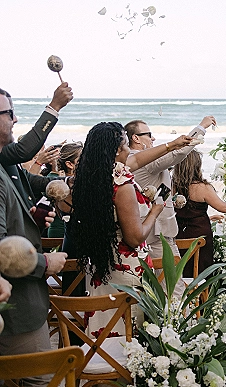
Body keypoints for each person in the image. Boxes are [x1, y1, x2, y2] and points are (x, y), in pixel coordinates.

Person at [68, 122, 191, 338]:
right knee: (130, 336)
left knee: (105, 330)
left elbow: (136, 160)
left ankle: (104, 366)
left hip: (101, 265)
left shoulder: (92, 177)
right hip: (125, 271)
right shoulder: (121, 184)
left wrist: (172, 145)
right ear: (117, 150)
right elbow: (134, 238)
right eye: (126, 145)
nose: (130, 151)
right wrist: (155, 210)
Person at [0, 87, 68, 385]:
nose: (15, 120)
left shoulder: (8, 165)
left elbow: (37, 182)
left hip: (24, 305)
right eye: (9, 113)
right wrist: (44, 263)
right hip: (16, 309)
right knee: (42, 381)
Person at [125, 117, 214, 259]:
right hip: (156, 233)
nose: (152, 138)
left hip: (149, 229)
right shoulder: (141, 159)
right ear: (135, 138)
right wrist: (202, 127)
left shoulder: (129, 160)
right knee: (172, 280)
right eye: (148, 134)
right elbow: (177, 153)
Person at [172, 149, 226, 277]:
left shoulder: (172, 185)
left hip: (178, 232)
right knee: (200, 270)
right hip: (199, 234)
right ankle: (202, 293)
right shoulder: (202, 187)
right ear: (197, 166)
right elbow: (224, 208)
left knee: (181, 268)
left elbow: (184, 212)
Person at [47, 142, 83, 238]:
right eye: (82, 159)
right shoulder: (63, 187)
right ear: (70, 164)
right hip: (64, 236)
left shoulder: (59, 183)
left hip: (64, 237)